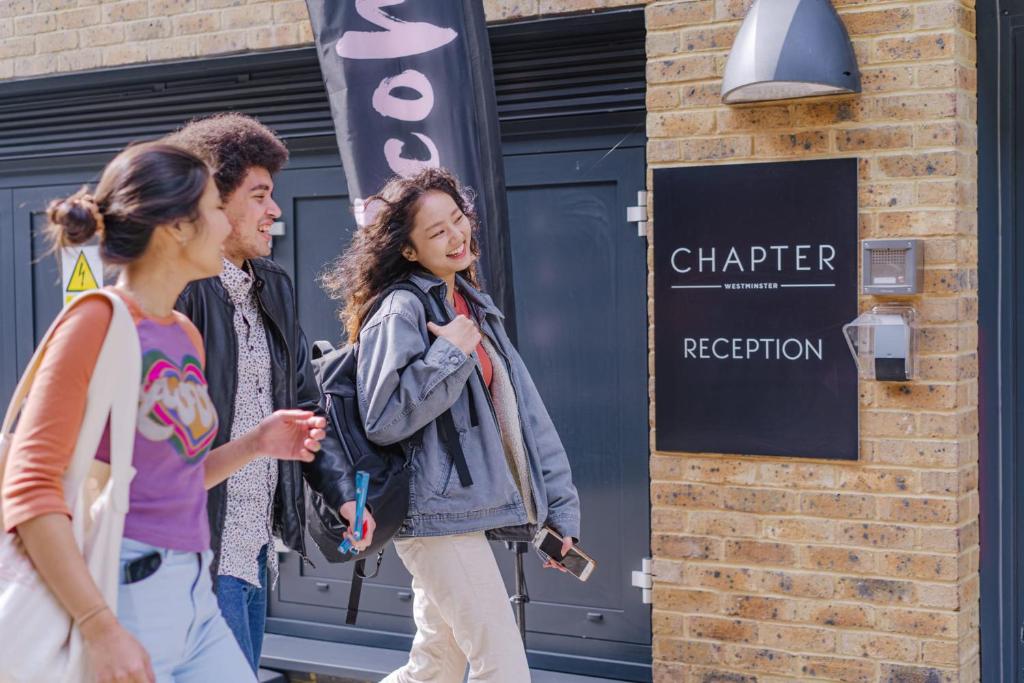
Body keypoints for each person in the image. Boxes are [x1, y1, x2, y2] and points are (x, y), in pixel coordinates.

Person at [0, 142, 327, 683]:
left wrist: (255, 444)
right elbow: (30, 489)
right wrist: (100, 626)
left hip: (196, 590)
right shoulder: (95, 323)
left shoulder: (184, 334)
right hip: (127, 589)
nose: (226, 224)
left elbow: (178, 478)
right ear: (177, 226)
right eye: (214, 208)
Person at [319, 167, 582, 683]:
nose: (457, 236)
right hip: (436, 519)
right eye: (437, 231)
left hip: (465, 515)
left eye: (458, 220)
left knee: (435, 668)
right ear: (409, 250)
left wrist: (561, 512)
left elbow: (526, 417)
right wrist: (447, 354)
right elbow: (384, 419)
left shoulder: (469, 302)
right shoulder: (400, 310)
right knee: (503, 669)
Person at [167, 113, 370, 672]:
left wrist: (342, 493)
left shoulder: (271, 285)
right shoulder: (178, 294)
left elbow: (305, 404)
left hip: (255, 548)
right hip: (196, 554)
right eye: (259, 195)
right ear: (211, 200)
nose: (274, 210)